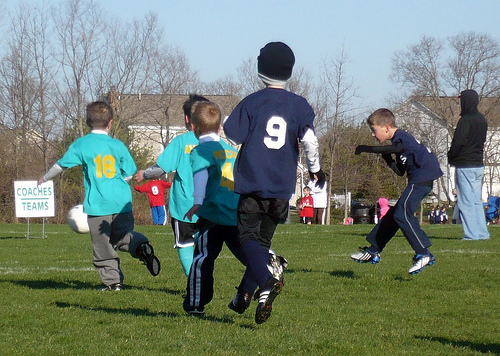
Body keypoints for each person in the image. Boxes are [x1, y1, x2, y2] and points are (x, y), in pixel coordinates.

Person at [223, 41, 325, 324]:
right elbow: (309, 140)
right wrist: (316, 170)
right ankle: (243, 296)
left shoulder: (253, 101)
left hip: (253, 182)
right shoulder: (299, 105)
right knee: (262, 241)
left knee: (247, 240)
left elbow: (232, 134)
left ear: (260, 68)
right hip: (281, 187)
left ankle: (267, 281)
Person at [38, 101, 160, 291]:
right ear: (110, 123)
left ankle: (112, 283)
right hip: (122, 203)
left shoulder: (82, 144)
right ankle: (140, 246)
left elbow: (61, 165)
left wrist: (45, 178)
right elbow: (129, 172)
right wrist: (119, 182)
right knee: (121, 237)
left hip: (98, 203)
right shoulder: (117, 145)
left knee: (103, 244)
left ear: (88, 122)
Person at [351, 108, 443, 274]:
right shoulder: (397, 145)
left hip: (423, 178)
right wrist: (386, 157)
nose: (373, 134)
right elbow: (400, 171)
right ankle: (373, 251)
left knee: (402, 214)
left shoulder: (402, 137)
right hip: (418, 179)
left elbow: (397, 149)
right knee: (394, 215)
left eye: (374, 130)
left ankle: (423, 253)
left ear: (386, 127)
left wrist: (369, 149)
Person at [181, 101, 249, 315]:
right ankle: (267, 266)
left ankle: (195, 303)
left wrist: (197, 202)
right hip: (235, 211)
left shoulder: (200, 151)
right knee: (248, 254)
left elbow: (200, 177)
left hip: (212, 213)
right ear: (220, 127)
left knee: (203, 258)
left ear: (193, 127)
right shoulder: (231, 151)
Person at [135, 94, 209, 277]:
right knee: (205, 249)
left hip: (184, 206)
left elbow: (160, 169)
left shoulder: (181, 142)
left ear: (186, 119)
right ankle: (204, 283)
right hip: (209, 206)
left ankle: (194, 284)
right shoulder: (216, 142)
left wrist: (143, 174)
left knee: (184, 244)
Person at [447, 89, 490, 240]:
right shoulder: (481, 119)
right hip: (478, 164)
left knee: (465, 202)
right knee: (476, 201)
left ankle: (471, 235)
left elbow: (459, 141)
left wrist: (451, 156)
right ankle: (482, 233)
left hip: (466, 165)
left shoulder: (466, 120)